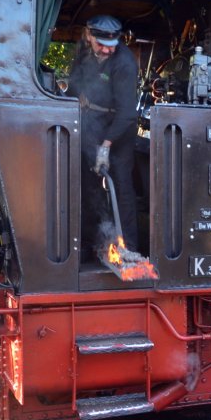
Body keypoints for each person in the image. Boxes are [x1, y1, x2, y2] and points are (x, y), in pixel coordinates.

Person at [66, 15, 141, 260]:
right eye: (102, 44)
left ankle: (129, 248)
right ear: (89, 36)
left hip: (118, 128)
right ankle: (92, 243)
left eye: (112, 45)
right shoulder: (83, 51)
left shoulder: (124, 63)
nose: (108, 49)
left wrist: (106, 146)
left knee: (121, 185)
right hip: (90, 123)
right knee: (87, 184)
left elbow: (127, 113)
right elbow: (74, 81)